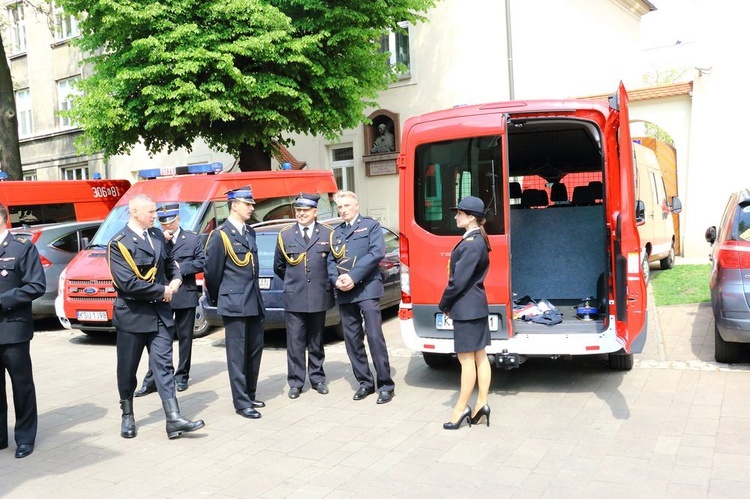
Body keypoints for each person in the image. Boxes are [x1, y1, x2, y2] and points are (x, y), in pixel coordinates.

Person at [107, 194, 205, 439]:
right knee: (127, 370)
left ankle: (173, 419)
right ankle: (127, 414)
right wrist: (162, 290)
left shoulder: (157, 235)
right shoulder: (119, 243)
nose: (155, 216)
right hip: (133, 315)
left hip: (160, 315)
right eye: (150, 212)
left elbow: (171, 263)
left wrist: (176, 278)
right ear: (135, 212)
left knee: (163, 366)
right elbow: (127, 283)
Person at [204, 186, 266, 419]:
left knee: (254, 350)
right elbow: (212, 272)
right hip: (235, 302)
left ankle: (249, 393)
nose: (252, 207)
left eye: (251, 204)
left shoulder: (249, 232)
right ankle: (241, 402)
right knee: (237, 354)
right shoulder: (220, 235)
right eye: (247, 204)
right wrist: (222, 297)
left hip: (253, 300)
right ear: (234, 205)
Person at [327, 190, 395, 404]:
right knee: (352, 339)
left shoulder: (370, 226)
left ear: (356, 205)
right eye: (340, 207)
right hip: (345, 291)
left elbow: (376, 253)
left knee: (374, 336)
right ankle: (365, 382)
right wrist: (336, 280)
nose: (343, 210)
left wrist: (353, 277)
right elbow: (330, 260)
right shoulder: (336, 233)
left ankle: (385, 384)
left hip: (366, 288)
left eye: (347, 206)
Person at [135, 203, 206, 396]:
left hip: (184, 294)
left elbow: (202, 261)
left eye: (171, 222)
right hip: (162, 295)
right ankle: (152, 380)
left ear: (178, 220)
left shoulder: (191, 238)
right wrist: (162, 242)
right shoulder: (154, 239)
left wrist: (179, 270)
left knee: (185, 339)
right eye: (164, 223)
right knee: (157, 340)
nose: (168, 226)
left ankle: (181, 376)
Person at [274, 193, 335, 399]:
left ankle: (317, 378)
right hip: (295, 296)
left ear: (315, 212)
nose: (301, 214)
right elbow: (279, 266)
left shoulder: (328, 234)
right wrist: (295, 283)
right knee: (295, 342)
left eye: (305, 210)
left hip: (319, 295)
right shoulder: (285, 235)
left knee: (316, 341)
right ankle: (296, 382)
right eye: (298, 210)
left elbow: (333, 264)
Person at [439, 196, 492, 430]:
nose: (455, 216)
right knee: (480, 356)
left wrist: (443, 303)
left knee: (466, 360)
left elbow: (457, 282)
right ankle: (481, 405)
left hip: (466, 308)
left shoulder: (472, 244)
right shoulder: (476, 239)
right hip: (475, 307)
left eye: (459, 213)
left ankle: (461, 409)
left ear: (471, 217)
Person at [0, 203, 45, 459]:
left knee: (21, 385)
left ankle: (25, 437)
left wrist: (3, 300)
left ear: (3, 219)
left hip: (12, 328)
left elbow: (36, 285)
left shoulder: (22, 247)